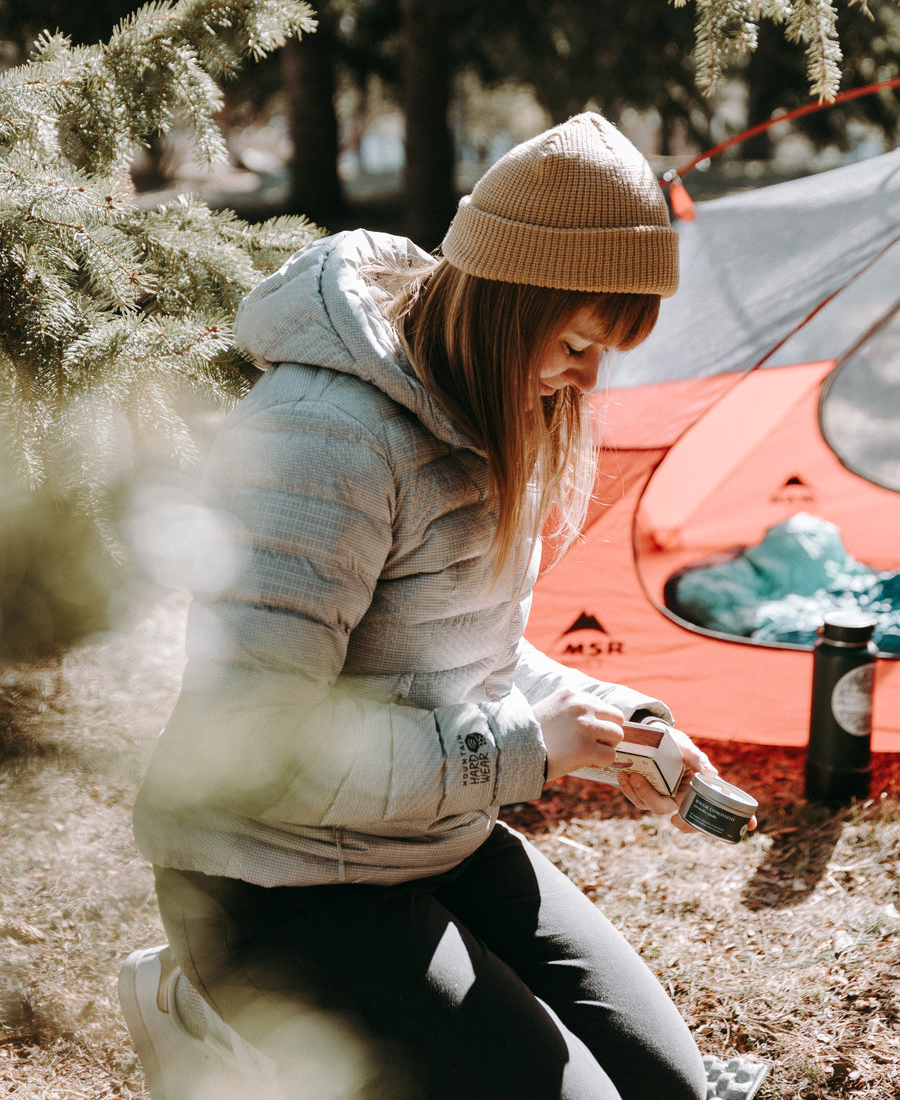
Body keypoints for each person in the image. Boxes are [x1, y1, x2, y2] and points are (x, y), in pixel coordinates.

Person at [120, 113, 733, 1100]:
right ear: (505, 303)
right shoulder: (329, 438)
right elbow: (253, 742)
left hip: (429, 841)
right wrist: (527, 748)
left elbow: (463, 661)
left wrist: (615, 729)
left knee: (672, 1088)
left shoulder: (504, 404)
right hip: (274, 887)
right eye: (574, 342)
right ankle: (212, 1020)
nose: (584, 379)